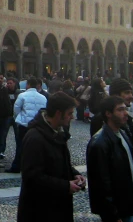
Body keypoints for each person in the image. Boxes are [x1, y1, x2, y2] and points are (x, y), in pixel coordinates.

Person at [87, 96, 133, 222]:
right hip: (118, 210)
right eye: (120, 110)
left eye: (125, 109)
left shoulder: (123, 134)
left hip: (130, 204)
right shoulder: (99, 143)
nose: (126, 113)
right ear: (108, 114)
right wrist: (113, 215)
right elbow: (101, 185)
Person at [17, 91, 85, 222]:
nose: (72, 117)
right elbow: (31, 177)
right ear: (59, 114)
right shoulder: (35, 138)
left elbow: (60, 162)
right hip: (40, 211)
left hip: (57, 206)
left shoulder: (58, 132)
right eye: (70, 113)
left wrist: (74, 174)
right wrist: (65, 186)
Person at [90, 79, 133, 184]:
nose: (131, 96)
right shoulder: (100, 120)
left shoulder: (127, 119)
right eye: (127, 92)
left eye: (131, 92)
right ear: (116, 95)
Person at [7, 77, 46, 173]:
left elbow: (16, 109)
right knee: (36, 146)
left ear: (28, 85)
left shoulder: (22, 95)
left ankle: (16, 166)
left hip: (24, 124)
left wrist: (19, 117)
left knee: (21, 145)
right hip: (37, 125)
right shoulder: (43, 97)